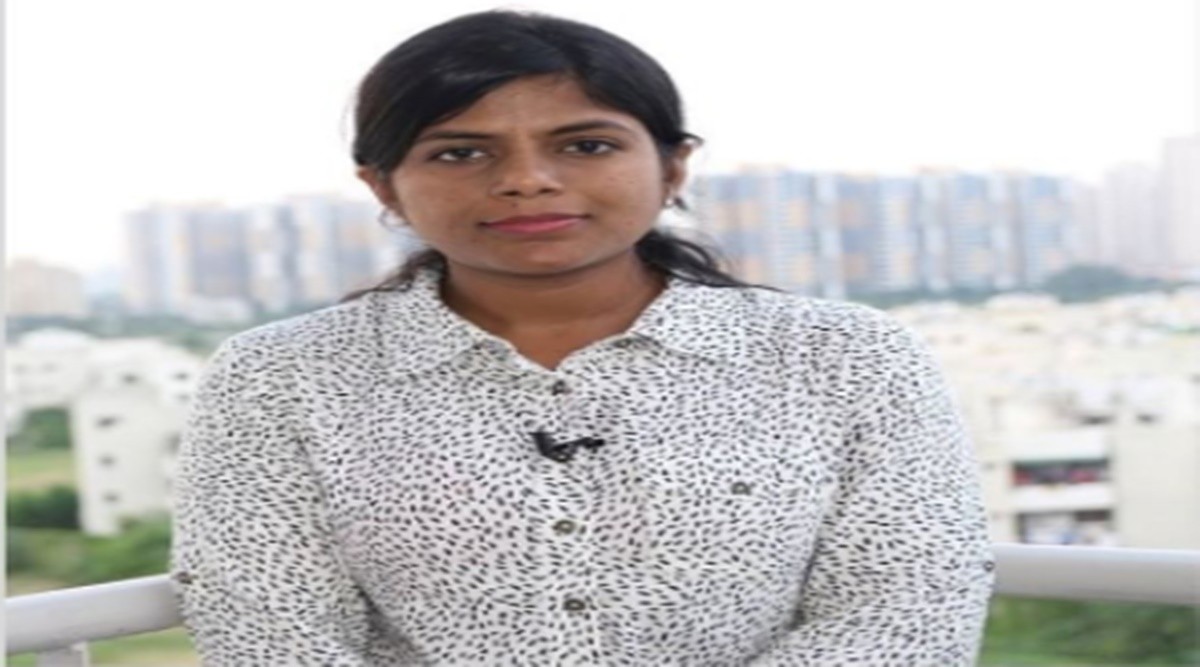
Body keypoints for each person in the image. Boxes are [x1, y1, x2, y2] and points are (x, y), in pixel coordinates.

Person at [170, 10, 996, 665]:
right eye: (460, 153)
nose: (526, 179)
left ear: (673, 167)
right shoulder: (282, 375)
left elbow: (905, 607)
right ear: (383, 185)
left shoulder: (842, 357)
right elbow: (266, 627)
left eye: (586, 144)